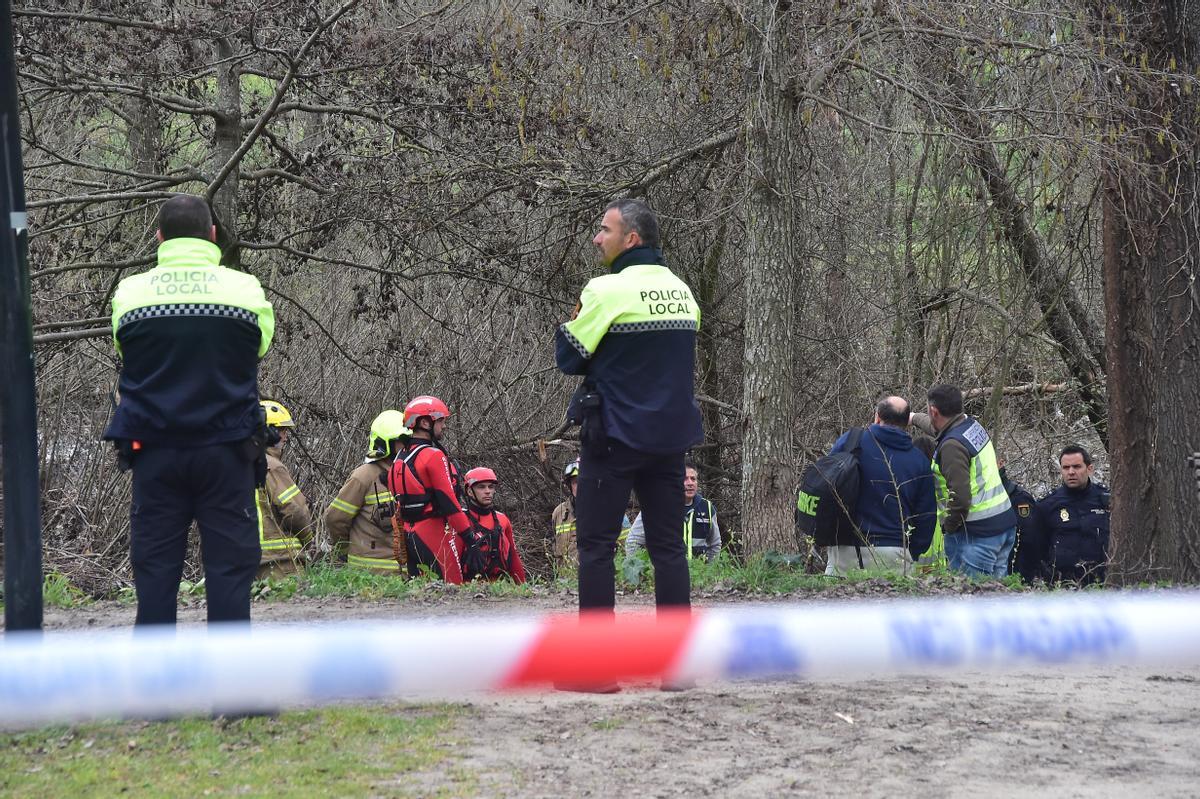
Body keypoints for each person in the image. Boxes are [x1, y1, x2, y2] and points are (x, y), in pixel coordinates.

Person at [103, 194, 275, 625]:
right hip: (228, 449)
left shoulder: (131, 292)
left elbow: (123, 345)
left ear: (159, 238)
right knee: (231, 570)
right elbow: (261, 346)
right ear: (212, 236)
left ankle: (157, 686)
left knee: (156, 570)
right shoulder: (245, 289)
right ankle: (232, 683)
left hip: (155, 451)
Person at [555, 197, 703, 619]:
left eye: (605, 230)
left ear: (631, 238)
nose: (597, 237)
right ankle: (677, 663)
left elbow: (569, 358)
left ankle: (600, 666)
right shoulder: (681, 290)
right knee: (670, 549)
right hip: (670, 441)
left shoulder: (604, 289)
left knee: (597, 549)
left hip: (613, 438)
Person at [911, 384, 1017, 578]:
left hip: (976, 535)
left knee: (972, 600)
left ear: (934, 411)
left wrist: (949, 528)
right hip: (1003, 524)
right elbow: (937, 428)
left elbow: (960, 498)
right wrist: (913, 418)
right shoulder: (970, 426)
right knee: (997, 597)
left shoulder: (952, 446)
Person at [824, 396, 936, 576]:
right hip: (896, 553)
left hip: (845, 549)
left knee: (837, 604)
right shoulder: (920, 461)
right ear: (907, 423)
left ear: (877, 417)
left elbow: (827, 485)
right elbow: (926, 517)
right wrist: (911, 552)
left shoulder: (851, 442)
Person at [399, 395, 472, 583]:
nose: (444, 426)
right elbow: (450, 503)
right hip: (432, 532)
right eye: (440, 421)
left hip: (408, 534)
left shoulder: (400, 455)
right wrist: (470, 537)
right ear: (425, 423)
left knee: (419, 593)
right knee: (453, 587)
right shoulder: (433, 455)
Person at [325, 410, 408, 575]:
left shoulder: (409, 475)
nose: (407, 447)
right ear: (386, 444)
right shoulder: (363, 477)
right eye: (402, 441)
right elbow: (335, 518)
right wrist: (345, 549)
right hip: (367, 576)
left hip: (405, 576)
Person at [1029, 445, 1110, 586]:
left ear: (1089, 469)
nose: (1071, 472)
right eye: (1066, 468)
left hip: (1102, 584)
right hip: (1062, 586)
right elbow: (1037, 548)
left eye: (1077, 467)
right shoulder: (1047, 505)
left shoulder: (1107, 500)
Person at [255, 400, 313, 580]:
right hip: (280, 563)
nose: (286, 436)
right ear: (268, 431)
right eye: (281, 430)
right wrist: (309, 540)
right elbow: (295, 511)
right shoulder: (272, 467)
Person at [625, 459, 721, 563]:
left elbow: (715, 545)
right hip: (665, 574)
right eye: (684, 479)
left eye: (693, 479)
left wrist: (709, 572)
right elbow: (632, 542)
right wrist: (641, 572)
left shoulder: (707, 508)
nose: (690, 483)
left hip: (698, 575)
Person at [461, 467, 527, 583]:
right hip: (467, 589)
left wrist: (522, 587)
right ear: (470, 491)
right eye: (481, 487)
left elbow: (514, 557)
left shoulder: (502, 519)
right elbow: (450, 561)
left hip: (498, 587)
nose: (488, 491)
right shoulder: (460, 520)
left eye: (491, 487)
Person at [1000, 461, 1041, 584]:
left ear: (1001, 462)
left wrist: (1020, 577)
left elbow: (1029, 540)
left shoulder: (1019, 498)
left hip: (1015, 574)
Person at [548, 459, 580, 575]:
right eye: (576, 482)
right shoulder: (559, 513)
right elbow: (552, 547)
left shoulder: (610, 511)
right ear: (570, 486)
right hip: (565, 586)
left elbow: (627, 549)